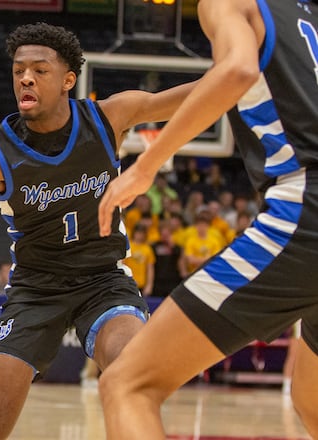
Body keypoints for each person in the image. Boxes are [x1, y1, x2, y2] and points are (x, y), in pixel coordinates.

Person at [0, 22, 195, 439]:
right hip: (35, 290)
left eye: (39, 70)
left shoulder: (109, 117)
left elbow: (186, 98)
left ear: (68, 79)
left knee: (130, 374)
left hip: (103, 281)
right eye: (18, 70)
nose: (25, 77)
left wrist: (248, 71)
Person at [96, 0, 318, 437]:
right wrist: (146, 110)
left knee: (127, 384)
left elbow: (235, 73)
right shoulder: (306, 15)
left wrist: (145, 166)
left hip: (306, 208)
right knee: (312, 400)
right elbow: (230, 79)